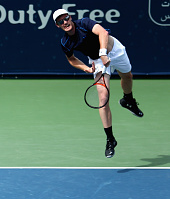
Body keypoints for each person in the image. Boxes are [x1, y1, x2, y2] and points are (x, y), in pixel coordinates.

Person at [52, 8, 143, 158]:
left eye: (66, 18)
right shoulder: (65, 42)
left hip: (114, 50)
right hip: (97, 62)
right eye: (60, 21)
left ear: (70, 17)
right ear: (58, 25)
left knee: (127, 76)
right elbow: (71, 59)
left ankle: (128, 100)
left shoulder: (84, 23)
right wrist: (86, 68)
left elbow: (103, 33)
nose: (65, 22)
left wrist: (103, 53)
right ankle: (110, 139)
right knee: (103, 98)